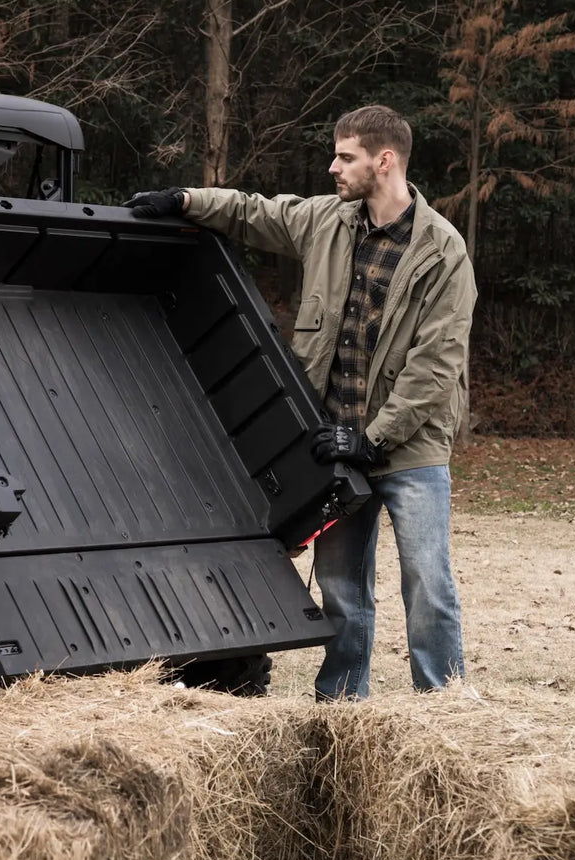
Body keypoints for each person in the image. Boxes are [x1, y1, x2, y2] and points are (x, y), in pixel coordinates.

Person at [126, 105, 475, 700]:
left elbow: (436, 364)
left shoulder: (443, 252)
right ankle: (340, 707)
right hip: (333, 445)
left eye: (346, 156)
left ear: (383, 161)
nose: (333, 167)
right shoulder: (326, 221)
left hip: (409, 450)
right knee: (340, 587)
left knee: (427, 585)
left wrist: (375, 437)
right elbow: (251, 211)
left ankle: (444, 709)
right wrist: (183, 200)